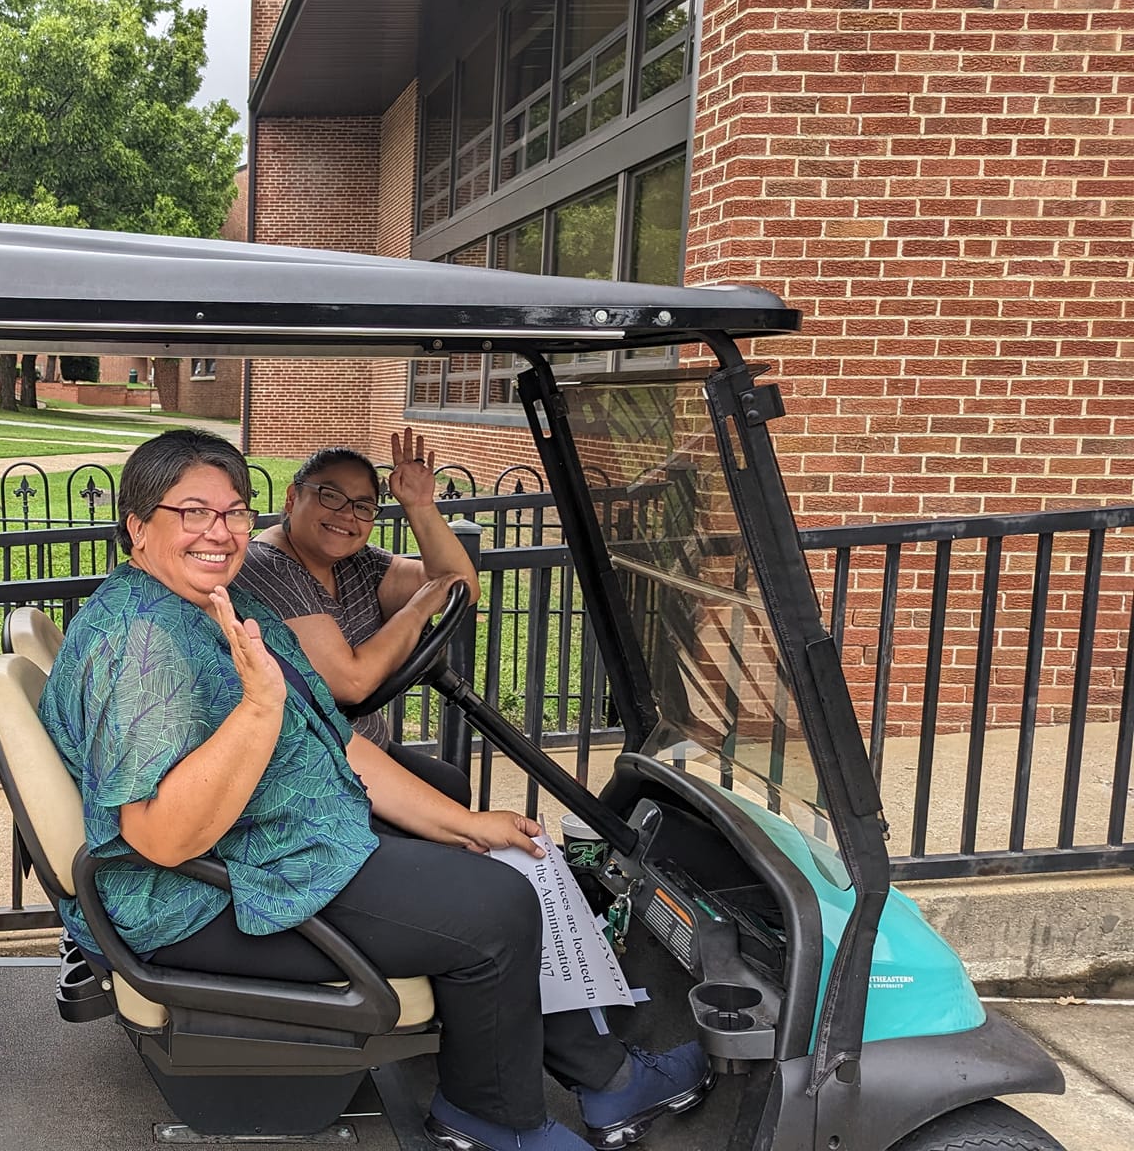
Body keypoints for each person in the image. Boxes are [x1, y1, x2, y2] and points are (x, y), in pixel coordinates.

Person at [38, 428, 708, 1151]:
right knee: (497, 909)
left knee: (495, 859)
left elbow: (343, 741)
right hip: (204, 896)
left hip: (273, 846)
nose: (221, 532)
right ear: (139, 526)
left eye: (233, 512)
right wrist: (260, 709)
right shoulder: (144, 646)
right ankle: (493, 1119)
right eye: (192, 512)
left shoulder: (212, 606)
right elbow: (161, 839)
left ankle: (600, 1078)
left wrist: (463, 823)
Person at [234, 428, 479, 806]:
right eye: (330, 496)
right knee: (450, 810)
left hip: (360, 750)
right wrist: (416, 611)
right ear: (292, 497)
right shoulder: (264, 566)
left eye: (363, 506)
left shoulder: (356, 563)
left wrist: (419, 505)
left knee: (451, 783)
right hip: (309, 775)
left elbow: (458, 585)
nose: (346, 515)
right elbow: (352, 682)